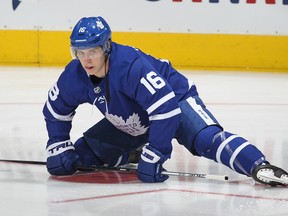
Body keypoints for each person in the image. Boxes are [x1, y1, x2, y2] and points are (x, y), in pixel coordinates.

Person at [43, 16, 287, 186]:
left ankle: (258, 166)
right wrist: (58, 143)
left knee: (206, 140)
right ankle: (132, 154)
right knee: (82, 159)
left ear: (106, 47)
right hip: (135, 117)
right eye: (80, 52)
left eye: (93, 51)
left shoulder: (129, 66)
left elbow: (166, 109)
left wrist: (158, 152)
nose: (86, 59)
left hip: (174, 100)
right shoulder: (75, 75)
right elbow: (55, 110)